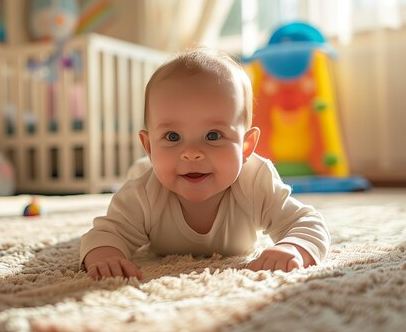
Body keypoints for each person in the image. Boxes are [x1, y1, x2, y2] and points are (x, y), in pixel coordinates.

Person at [80, 48, 330, 279]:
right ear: (149, 146)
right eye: (172, 137)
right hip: (150, 171)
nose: (191, 153)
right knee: (141, 171)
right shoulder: (143, 194)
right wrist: (105, 256)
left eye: (213, 136)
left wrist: (293, 247)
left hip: (165, 167)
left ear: (246, 146)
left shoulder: (255, 182)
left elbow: (307, 223)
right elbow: (105, 233)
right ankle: (146, 163)